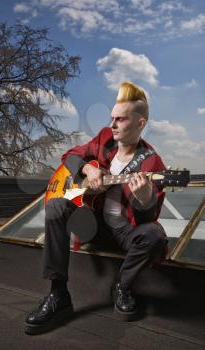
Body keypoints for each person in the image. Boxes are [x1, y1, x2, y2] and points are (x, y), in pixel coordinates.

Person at [25, 81, 168, 335]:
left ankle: (122, 286)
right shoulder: (104, 138)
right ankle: (58, 294)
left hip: (124, 232)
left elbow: (147, 219)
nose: (112, 125)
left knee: (155, 235)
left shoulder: (152, 162)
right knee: (57, 205)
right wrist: (88, 168)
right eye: (112, 118)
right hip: (93, 225)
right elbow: (70, 156)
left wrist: (144, 198)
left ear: (140, 123)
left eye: (120, 120)